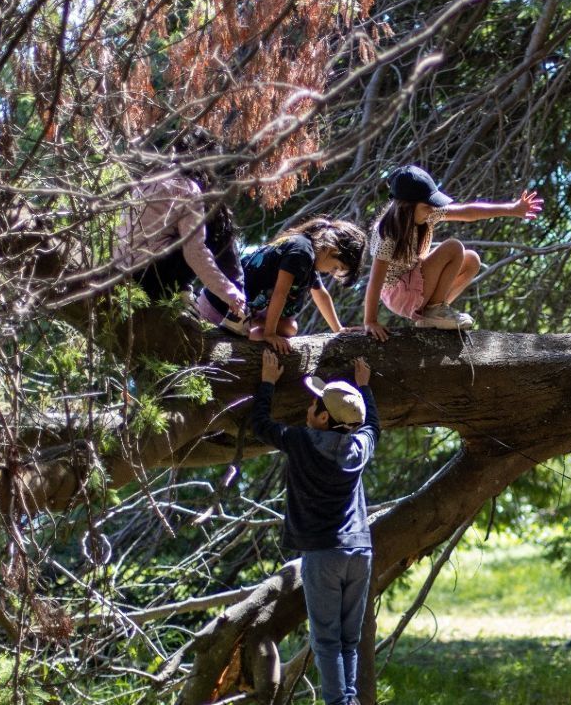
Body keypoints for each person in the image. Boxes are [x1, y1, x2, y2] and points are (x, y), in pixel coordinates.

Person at [252, 350, 379, 705]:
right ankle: (348, 700)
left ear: (323, 418)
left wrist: (266, 383)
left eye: (315, 404)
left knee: (326, 639)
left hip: (323, 555)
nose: (309, 407)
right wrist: (365, 390)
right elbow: (373, 428)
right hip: (360, 552)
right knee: (348, 639)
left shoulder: (301, 441)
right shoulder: (359, 447)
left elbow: (261, 425)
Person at [361, 165, 543, 340]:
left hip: (413, 285)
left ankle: (434, 313)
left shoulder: (426, 214)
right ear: (406, 206)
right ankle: (435, 311)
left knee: (471, 260)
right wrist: (370, 321)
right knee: (453, 247)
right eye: (427, 207)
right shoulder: (388, 232)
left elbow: (467, 212)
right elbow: (375, 281)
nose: (431, 211)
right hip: (399, 295)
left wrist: (512, 209)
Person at [200, 218, 366, 353]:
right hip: (220, 308)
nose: (332, 271)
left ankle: (249, 328)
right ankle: (249, 331)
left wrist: (338, 329)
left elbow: (321, 294)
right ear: (331, 249)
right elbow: (280, 293)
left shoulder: (308, 254)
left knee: (290, 327)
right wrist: (270, 334)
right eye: (336, 267)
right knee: (285, 328)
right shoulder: (301, 253)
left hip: (233, 312)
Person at [118, 168, 248, 334]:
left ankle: (186, 293)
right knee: (216, 223)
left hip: (123, 270)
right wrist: (232, 295)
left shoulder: (145, 181)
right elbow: (195, 253)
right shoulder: (188, 189)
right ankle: (237, 314)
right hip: (151, 277)